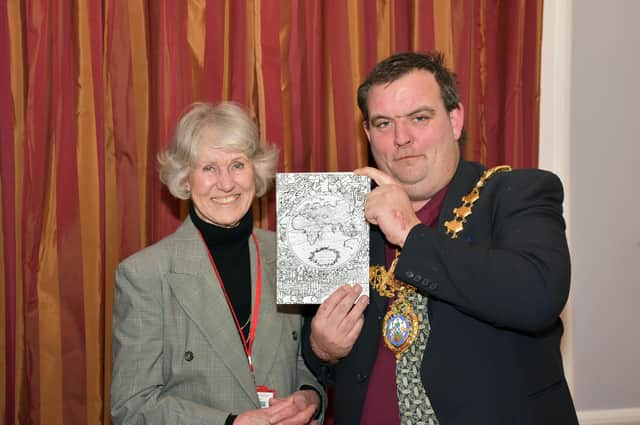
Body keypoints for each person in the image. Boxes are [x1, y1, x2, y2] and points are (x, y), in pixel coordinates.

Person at [302, 51, 578, 424]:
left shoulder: (517, 191)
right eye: (383, 123)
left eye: (419, 118)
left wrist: (409, 232)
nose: (402, 138)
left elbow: (538, 295)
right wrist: (323, 349)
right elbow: (318, 354)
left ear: (455, 119)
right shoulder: (342, 217)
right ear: (368, 134)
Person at [111, 102, 324, 425]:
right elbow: (132, 406)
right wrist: (229, 423)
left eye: (237, 164)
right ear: (185, 179)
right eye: (209, 168)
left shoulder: (291, 255)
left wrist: (311, 396)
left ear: (256, 170)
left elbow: (306, 360)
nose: (226, 184)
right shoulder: (145, 274)